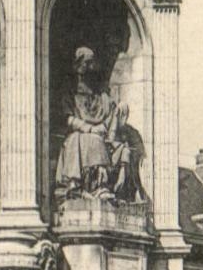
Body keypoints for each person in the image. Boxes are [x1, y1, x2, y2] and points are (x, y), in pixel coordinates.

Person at [54, 46, 145, 202]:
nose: (91, 67)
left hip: (99, 135)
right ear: (78, 66)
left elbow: (109, 113)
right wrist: (89, 128)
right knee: (84, 139)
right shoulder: (69, 90)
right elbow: (68, 118)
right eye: (87, 63)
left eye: (92, 63)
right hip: (79, 134)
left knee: (119, 147)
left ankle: (101, 187)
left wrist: (119, 109)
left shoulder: (99, 93)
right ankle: (91, 186)